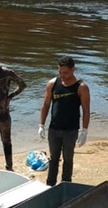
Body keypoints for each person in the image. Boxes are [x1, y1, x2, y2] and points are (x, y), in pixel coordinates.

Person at [38, 56, 91, 186]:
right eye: (60, 72)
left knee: (68, 159)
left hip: (71, 130)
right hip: (54, 128)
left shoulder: (81, 87)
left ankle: (66, 184)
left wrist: (84, 130)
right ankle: (50, 185)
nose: (63, 75)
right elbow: (45, 105)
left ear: (73, 70)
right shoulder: (52, 84)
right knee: (53, 158)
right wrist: (41, 125)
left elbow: (86, 110)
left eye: (66, 72)